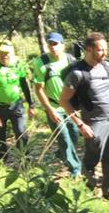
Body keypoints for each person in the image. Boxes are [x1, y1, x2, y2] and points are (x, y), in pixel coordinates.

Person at [58, 32, 109, 198]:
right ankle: (86, 190)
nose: (105, 53)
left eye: (106, 49)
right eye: (100, 50)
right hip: (94, 122)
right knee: (91, 160)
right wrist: (80, 124)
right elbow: (64, 101)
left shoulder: (106, 66)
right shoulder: (77, 74)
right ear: (89, 50)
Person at [31, 32, 80, 176]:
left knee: (74, 134)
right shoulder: (41, 63)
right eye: (50, 44)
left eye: (56, 44)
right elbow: (39, 89)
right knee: (64, 137)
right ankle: (75, 169)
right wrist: (49, 109)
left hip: (70, 106)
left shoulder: (71, 60)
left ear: (62, 45)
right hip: (54, 107)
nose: (53, 47)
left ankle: (61, 153)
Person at [0, 42, 35, 161]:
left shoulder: (18, 64)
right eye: (0, 53)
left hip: (17, 104)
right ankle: (1, 163)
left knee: (21, 133)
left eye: (6, 53)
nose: (3, 55)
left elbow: (24, 85)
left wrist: (31, 104)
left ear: (12, 52)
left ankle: (24, 161)